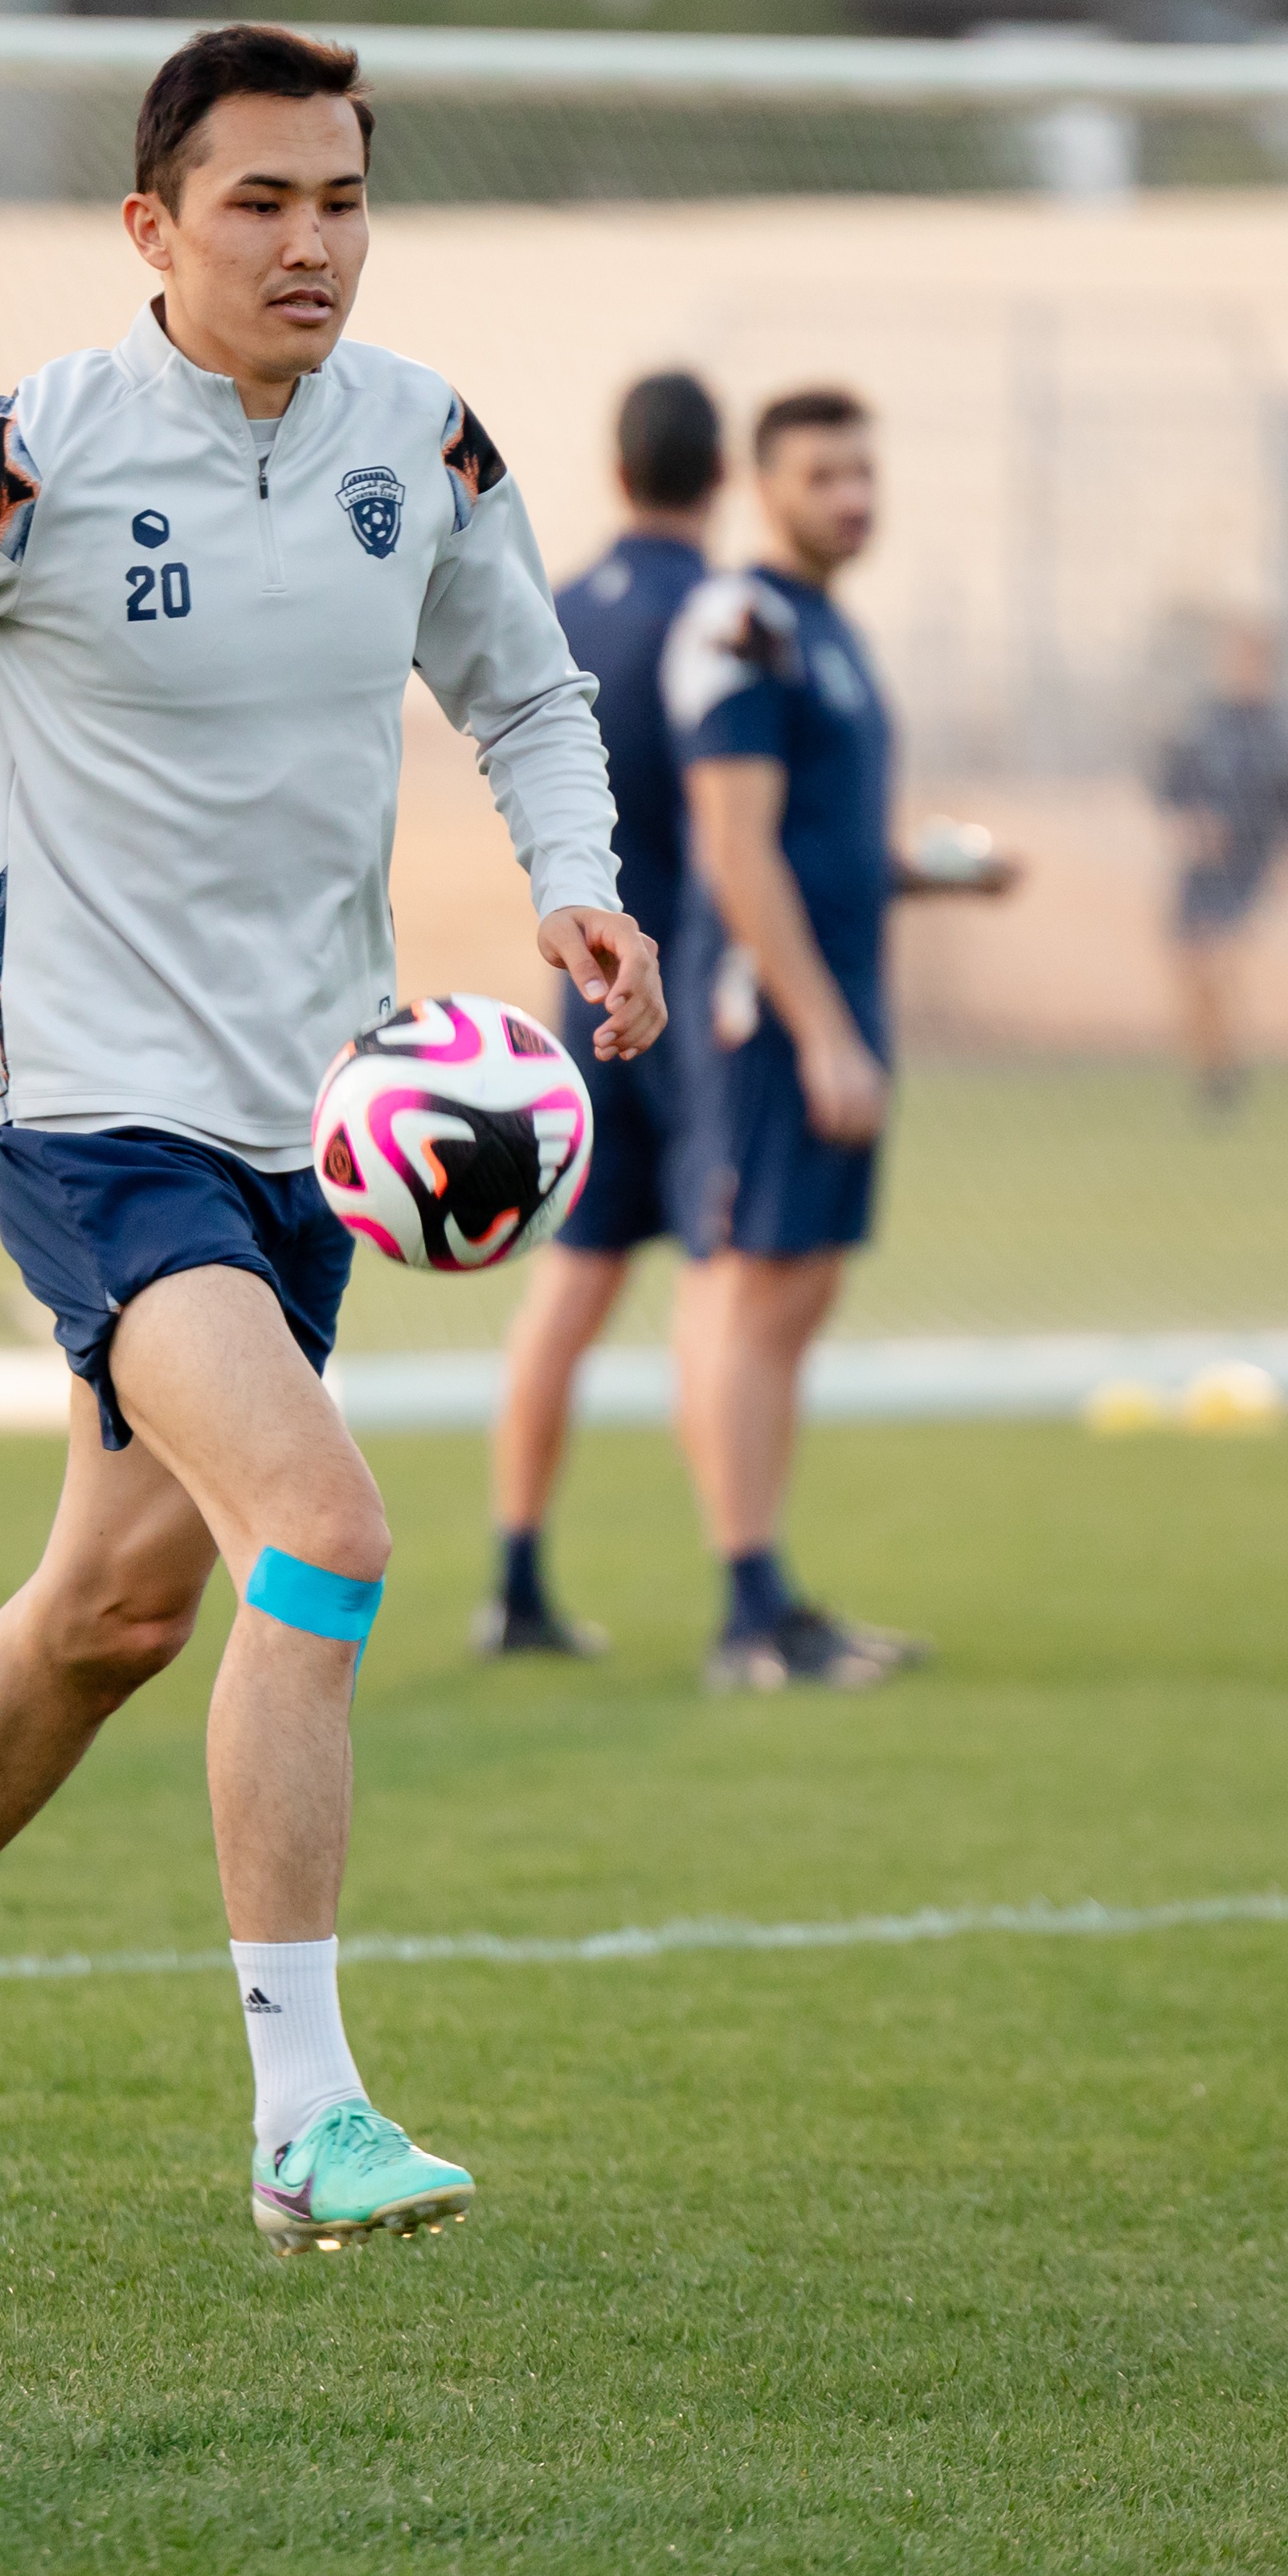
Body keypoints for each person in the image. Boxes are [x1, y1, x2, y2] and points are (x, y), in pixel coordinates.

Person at [0, 25, 664, 2263]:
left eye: (341, 202)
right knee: (326, 1527)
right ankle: (305, 2121)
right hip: (87, 1113)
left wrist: (581, 878)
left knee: (115, 1609)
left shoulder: (421, 444)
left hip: (312, 1136)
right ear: (152, 231)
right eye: (259, 205)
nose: (310, 246)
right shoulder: (23, 462)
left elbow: (529, 696)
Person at [663, 387, 1012, 1693]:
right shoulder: (742, 622)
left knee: (788, 1299)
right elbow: (735, 849)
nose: (852, 496)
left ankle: (774, 1601)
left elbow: (825, 847)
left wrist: (935, 873)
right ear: (764, 487)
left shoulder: (825, 629)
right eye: (822, 475)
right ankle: (750, 1617)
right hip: (772, 1014)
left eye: (863, 472)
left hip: (835, 997)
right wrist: (821, 1034)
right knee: (760, 1297)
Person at [476, 371, 726, 1663]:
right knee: (720, 1292)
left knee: (566, 1300)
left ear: (620, 470)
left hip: (581, 1009)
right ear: (720, 473)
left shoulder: (557, 606)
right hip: (691, 1011)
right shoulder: (724, 620)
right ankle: (749, 1584)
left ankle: (513, 1581)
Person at [1153, 618, 1288, 1116]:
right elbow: (1167, 782)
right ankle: (1211, 1072)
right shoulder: (1201, 722)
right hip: (1200, 866)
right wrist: (1187, 822)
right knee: (1191, 971)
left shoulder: (1282, 729)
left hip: (1248, 864)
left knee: (1222, 961)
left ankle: (1227, 1071)